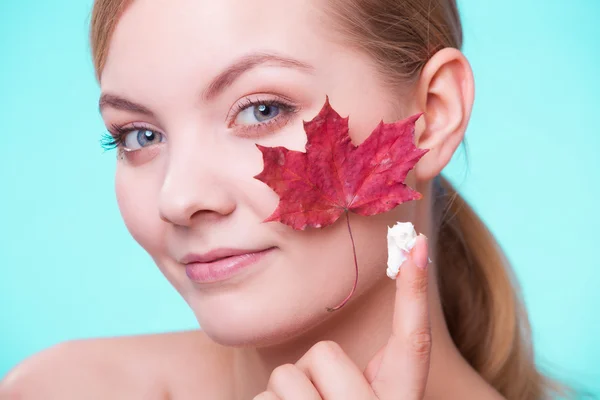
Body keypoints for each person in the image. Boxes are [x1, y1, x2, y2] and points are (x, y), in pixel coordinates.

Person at [0, 0, 562, 398]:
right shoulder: (56, 390)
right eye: (139, 136)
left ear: (432, 118)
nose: (179, 197)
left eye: (262, 109)